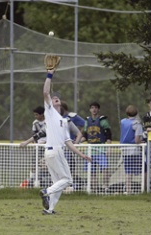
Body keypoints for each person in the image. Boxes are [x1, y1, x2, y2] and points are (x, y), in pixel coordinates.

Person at [39, 68, 91, 215]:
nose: (55, 98)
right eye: (53, 97)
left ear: (60, 104)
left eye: (58, 98)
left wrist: (81, 155)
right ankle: (46, 191)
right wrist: (50, 74)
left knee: (59, 183)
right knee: (67, 180)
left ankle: (49, 209)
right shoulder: (49, 112)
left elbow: (68, 142)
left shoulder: (63, 121)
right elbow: (45, 92)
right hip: (54, 152)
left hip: (52, 153)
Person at [82, 102, 112, 192]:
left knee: (105, 169)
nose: (94, 109)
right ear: (90, 109)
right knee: (91, 172)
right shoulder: (87, 121)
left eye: (95, 108)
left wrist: (109, 147)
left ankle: (106, 187)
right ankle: (94, 189)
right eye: (92, 108)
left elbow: (108, 135)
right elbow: (85, 135)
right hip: (90, 150)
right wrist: (77, 142)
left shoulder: (102, 120)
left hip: (100, 149)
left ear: (98, 109)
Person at [120, 105, 143, 194]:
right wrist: (142, 141)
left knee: (128, 170)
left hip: (124, 149)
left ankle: (128, 189)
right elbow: (137, 140)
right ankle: (142, 188)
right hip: (134, 150)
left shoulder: (123, 122)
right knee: (140, 169)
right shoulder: (137, 124)